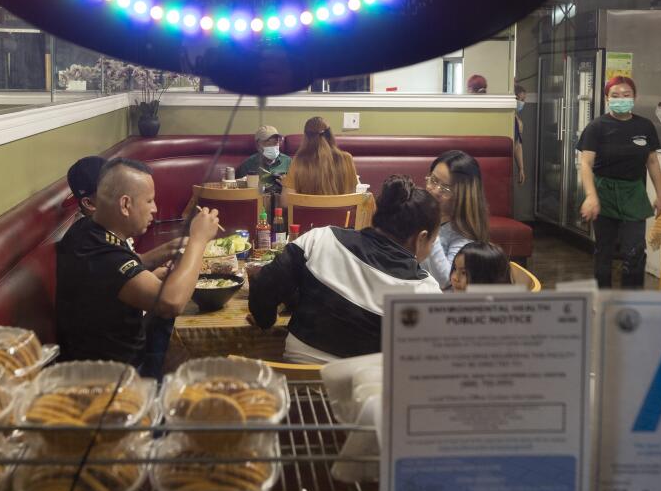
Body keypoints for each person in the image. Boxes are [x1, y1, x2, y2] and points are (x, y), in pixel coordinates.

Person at [249, 176, 441, 362]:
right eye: (434, 240)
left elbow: (264, 286)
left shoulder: (321, 238)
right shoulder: (426, 292)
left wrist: (265, 320)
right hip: (365, 391)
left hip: (299, 382)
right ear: (422, 237)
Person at [55, 157, 219, 367]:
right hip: (114, 375)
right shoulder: (97, 253)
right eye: (149, 201)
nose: (155, 209)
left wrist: (172, 248)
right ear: (125, 204)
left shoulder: (89, 229)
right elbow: (170, 302)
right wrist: (198, 239)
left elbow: (127, 266)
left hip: (126, 350)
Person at [577, 76, 661, 290]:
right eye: (615, 95)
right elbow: (586, 163)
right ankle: (603, 297)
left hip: (633, 192)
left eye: (626, 95)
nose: (621, 99)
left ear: (635, 98)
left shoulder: (645, 126)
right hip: (604, 191)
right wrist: (591, 196)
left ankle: (632, 299)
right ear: (607, 99)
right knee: (604, 250)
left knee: (635, 250)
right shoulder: (597, 126)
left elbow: (652, 161)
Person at [422, 150, 492, 288]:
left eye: (446, 189)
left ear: (463, 196)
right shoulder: (426, 210)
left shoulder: (464, 235)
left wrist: (431, 227)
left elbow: (445, 282)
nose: (435, 190)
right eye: (434, 180)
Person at [283, 116, 358, 196]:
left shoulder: (298, 161)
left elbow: (285, 201)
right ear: (330, 134)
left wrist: (285, 183)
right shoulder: (347, 159)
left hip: (308, 209)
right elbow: (352, 193)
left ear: (306, 137)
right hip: (343, 208)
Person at [236, 125, 292, 194]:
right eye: (268, 143)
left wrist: (287, 184)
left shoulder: (289, 162)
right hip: (257, 200)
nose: (273, 147)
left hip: (282, 201)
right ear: (258, 144)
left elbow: (296, 188)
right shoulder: (248, 165)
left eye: (275, 142)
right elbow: (238, 191)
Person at [513, 83, 527, 186]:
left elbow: (518, 145)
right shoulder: (508, 118)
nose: (522, 103)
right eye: (520, 100)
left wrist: (521, 168)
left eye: (523, 100)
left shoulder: (518, 122)